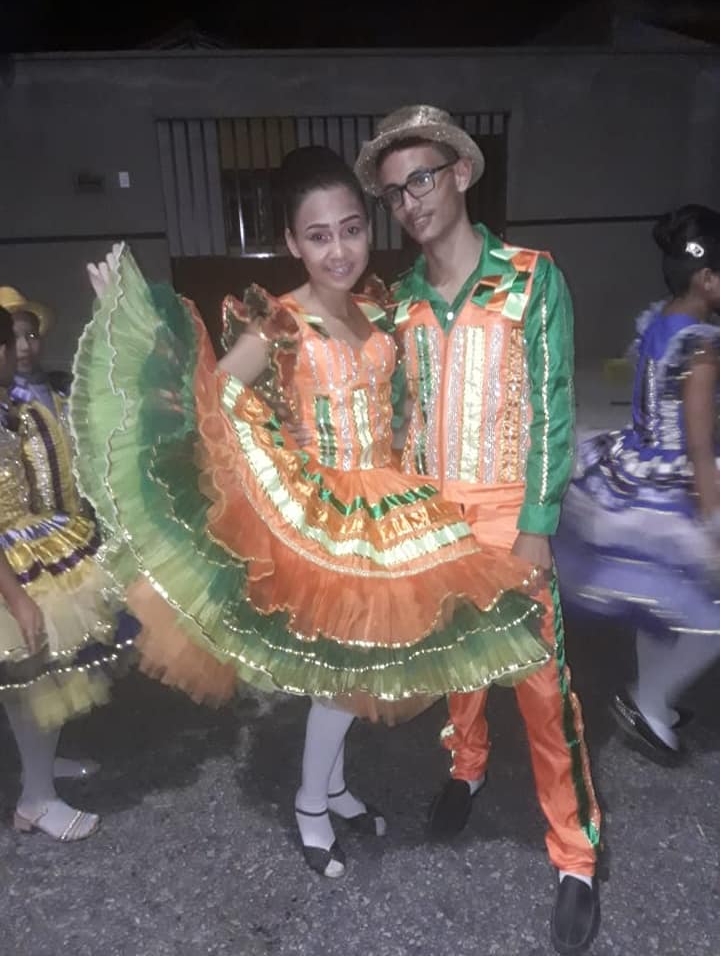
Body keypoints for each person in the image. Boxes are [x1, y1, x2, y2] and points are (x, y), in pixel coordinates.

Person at [72, 146, 553, 879]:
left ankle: (333, 788)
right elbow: (209, 399)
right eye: (319, 235)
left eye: (351, 229)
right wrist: (134, 325)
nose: (339, 250)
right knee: (344, 678)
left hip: (391, 506)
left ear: (368, 227)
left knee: (362, 667)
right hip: (326, 515)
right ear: (293, 242)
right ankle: (309, 804)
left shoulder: (376, 309)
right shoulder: (281, 322)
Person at [356, 105, 600, 955]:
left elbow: (553, 409)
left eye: (421, 178)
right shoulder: (401, 303)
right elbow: (394, 420)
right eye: (394, 193)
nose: (410, 202)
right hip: (434, 520)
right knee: (454, 665)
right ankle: (465, 768)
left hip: (508, 516)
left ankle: (575, 853)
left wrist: (537, 524)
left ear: (461, 173)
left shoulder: (531, 279)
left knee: (543, 690)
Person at [554, 204, 720, 757]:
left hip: (636, 461)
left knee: (659, 595)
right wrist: (713, 521)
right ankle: (649, 700)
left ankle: (653, 698)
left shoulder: (661, 320)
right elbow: (699, 445)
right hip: (675, 478)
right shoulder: (702, 346)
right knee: (710, 612)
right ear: (707, 278)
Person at [0, 304, 132, 840]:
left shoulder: (10, 407)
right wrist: (18, 598)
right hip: (11, 562)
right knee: (34, 677)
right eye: (10, 343)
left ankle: (40, 769)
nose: (18, 352)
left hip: (30, 542)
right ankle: (35, 800)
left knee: (39, 677)